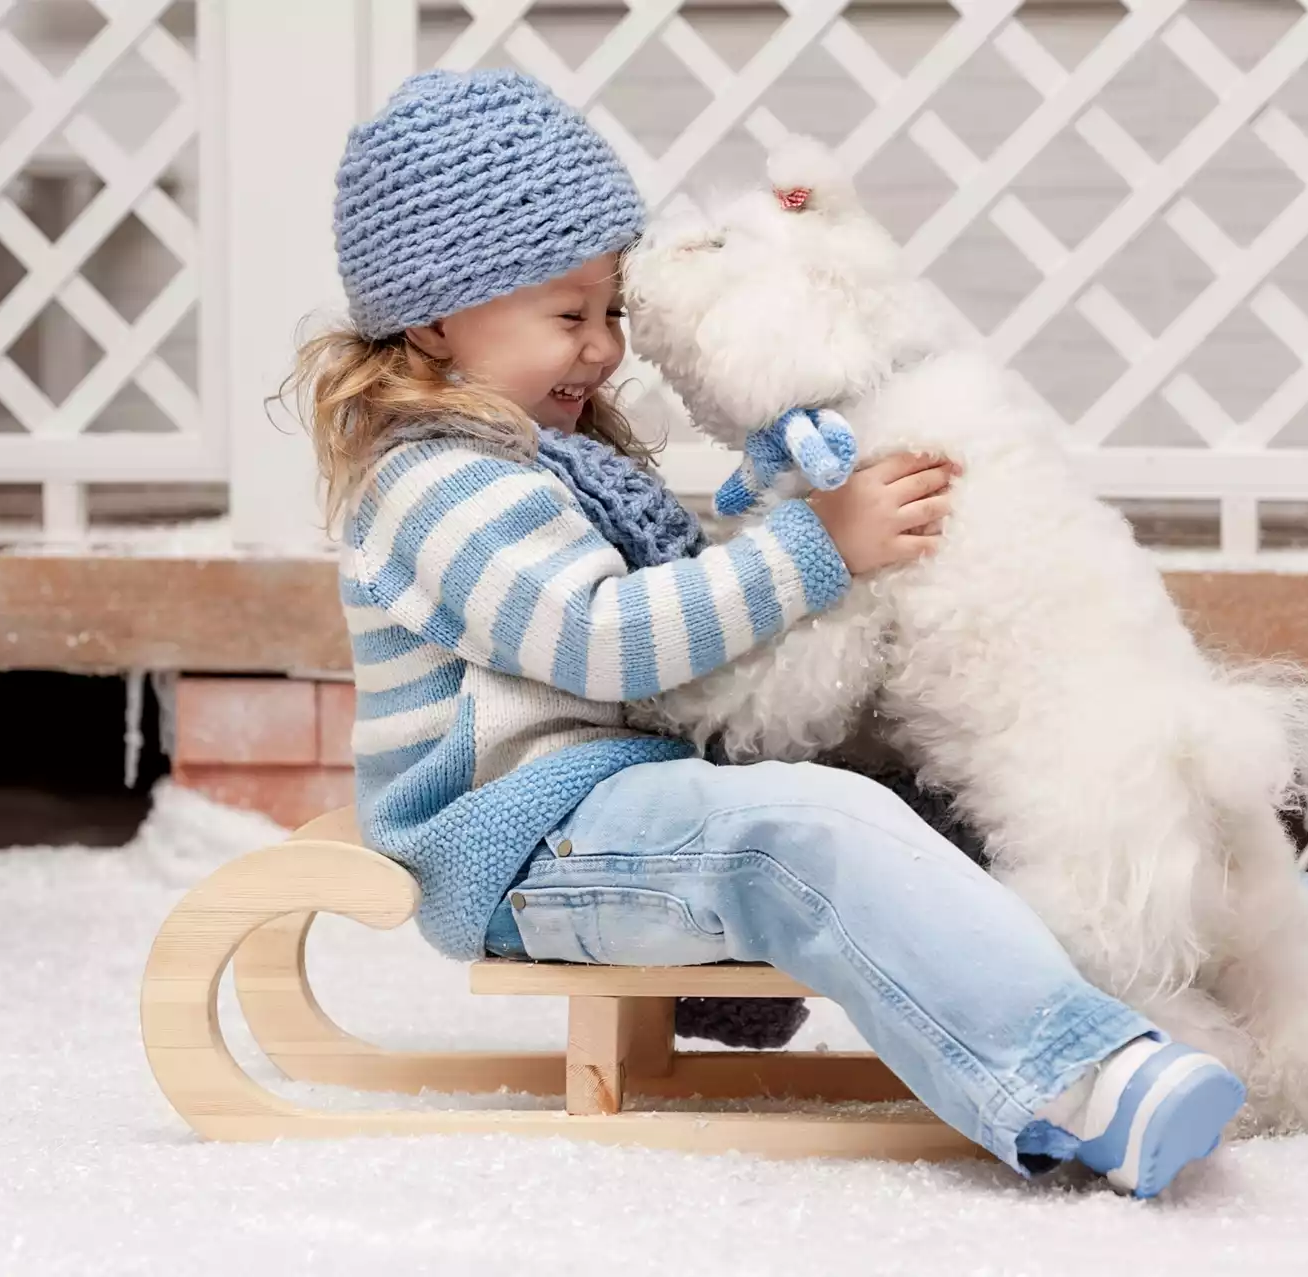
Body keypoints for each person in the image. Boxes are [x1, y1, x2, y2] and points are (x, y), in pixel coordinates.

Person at [287, 67, 1244, 1200]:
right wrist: (814, 549)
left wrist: (780, 517)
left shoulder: (548, 463)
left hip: (615, 810)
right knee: (803, 828)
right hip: (523, 844)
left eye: (611, 315)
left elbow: (677, 616)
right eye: (568, 315)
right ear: (440, 316)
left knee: (942, 802)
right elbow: (605, 639)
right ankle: (1070, 1080)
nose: (603, 350)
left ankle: (1222, 988)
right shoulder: (435, 480)